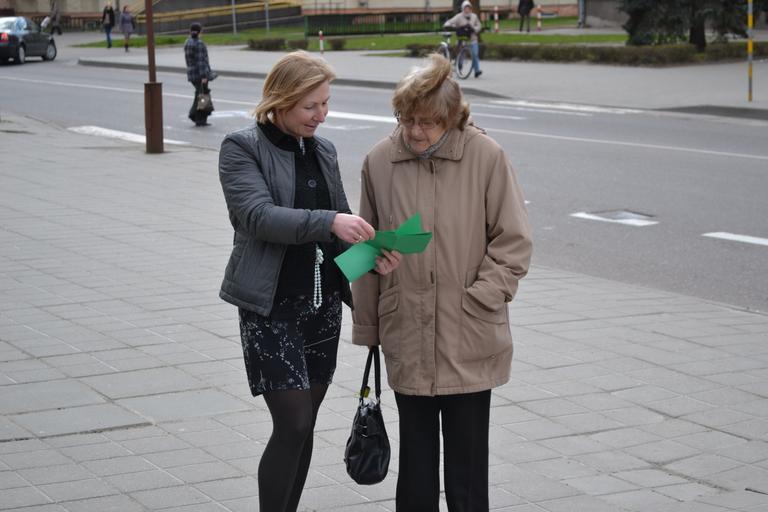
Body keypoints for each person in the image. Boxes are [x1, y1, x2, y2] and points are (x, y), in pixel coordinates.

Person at [217, 51, 401, 512]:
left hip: (322, 307)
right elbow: (257, 216)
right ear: (281, 100)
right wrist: (329, 221)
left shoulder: (323, 150)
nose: (321, 115)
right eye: (310, 106)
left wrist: (371, 257)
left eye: (326, 103)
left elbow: (339, 234)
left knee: (306, 424)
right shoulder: (242, 148)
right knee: (293, 422)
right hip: (271, 306)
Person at [351, 53, 532, 512]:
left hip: (467, 331)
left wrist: (482, 298)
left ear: (451, 118)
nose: (415, 131)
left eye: (427, 122)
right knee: (415, 468)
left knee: (467, 471)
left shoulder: (486, 157)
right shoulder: (380, 161)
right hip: (407, 333)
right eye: (407, 119)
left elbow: (513, 241)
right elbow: (364, 248)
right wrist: (370, 315)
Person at [184, 23, 214, 127]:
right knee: (203, 96)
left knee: (200, 94)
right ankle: (197, 117)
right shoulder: (199, 43)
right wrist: (204, 76)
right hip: (200, 75)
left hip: (192, 74)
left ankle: (198, 117)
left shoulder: (188, 42)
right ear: (201, 31)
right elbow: (201, 62)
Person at [443, 0, 483, 78]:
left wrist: (474, 28)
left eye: (468, 8)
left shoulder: (474, 16)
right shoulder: (459, 16)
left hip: (472, 39)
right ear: (463, 8)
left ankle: (477, 71)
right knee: (461, 55)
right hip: (462, 39)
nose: (467, 10)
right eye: (465, 8)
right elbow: (450, 22)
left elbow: (479, 25)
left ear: (471, 8)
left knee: (475, 54)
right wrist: (448, 25)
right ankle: (459, 67)